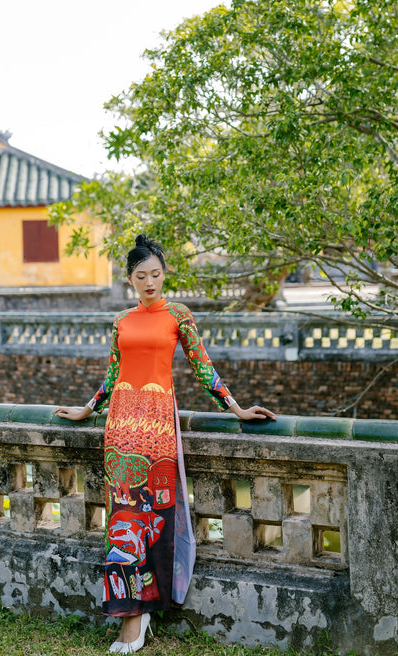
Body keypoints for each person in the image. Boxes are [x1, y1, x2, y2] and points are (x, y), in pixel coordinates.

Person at [55, 235, 276, 654]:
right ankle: (129, 614)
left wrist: (237, 408)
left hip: (157, 424)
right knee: (121, 518)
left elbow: (203, 367)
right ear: (130, 279)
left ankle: (142, 615)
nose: (150, 282)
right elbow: (112, 374)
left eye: (156, 274)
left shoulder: (179, 314)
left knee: (151, 515)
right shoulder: (121, 319)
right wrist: (87, 409)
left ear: (164, 273)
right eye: (141, 276)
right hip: (120, 423)